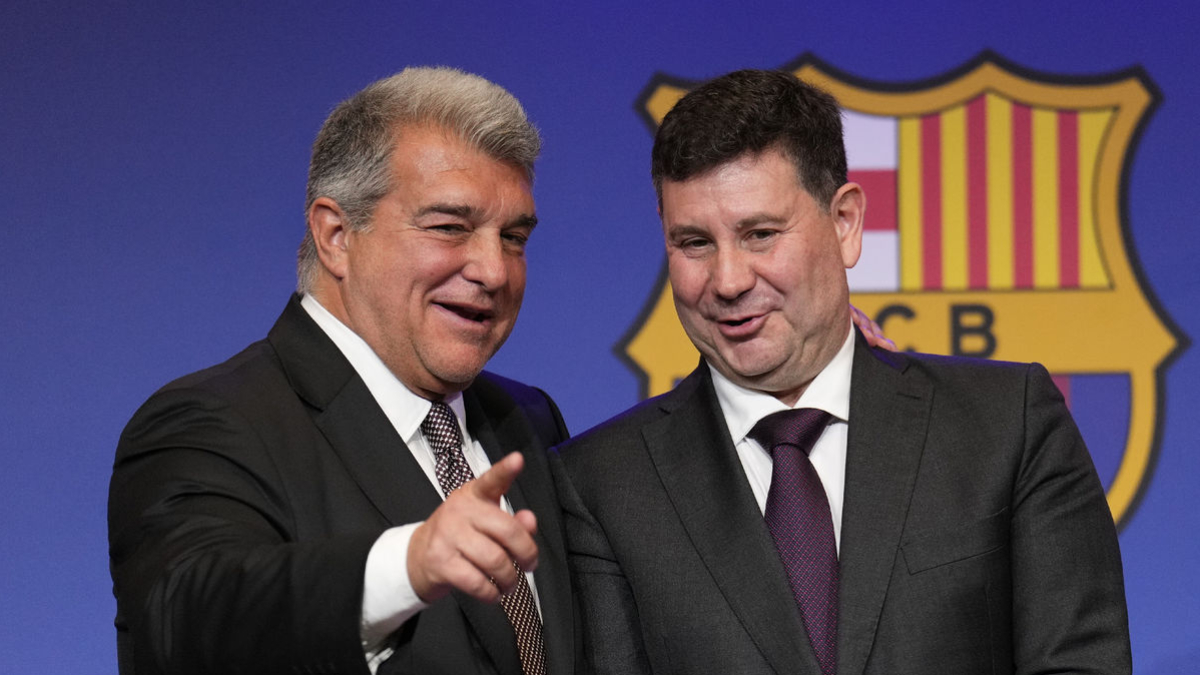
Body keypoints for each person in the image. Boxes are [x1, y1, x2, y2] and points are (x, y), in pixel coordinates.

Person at [551, 69, 1131, 674]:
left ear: (846, 223)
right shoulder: (601, 484)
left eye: (760, 234)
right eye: (693, 243)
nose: (727, 281)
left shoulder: (1007, 424)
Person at [108, 67, 577, 675]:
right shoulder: (211, 422)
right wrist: (407, 565)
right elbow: (186, 619)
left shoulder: (528, 419)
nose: (494, 269)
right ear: (335, 235)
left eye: (513, 237)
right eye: (449, 227)